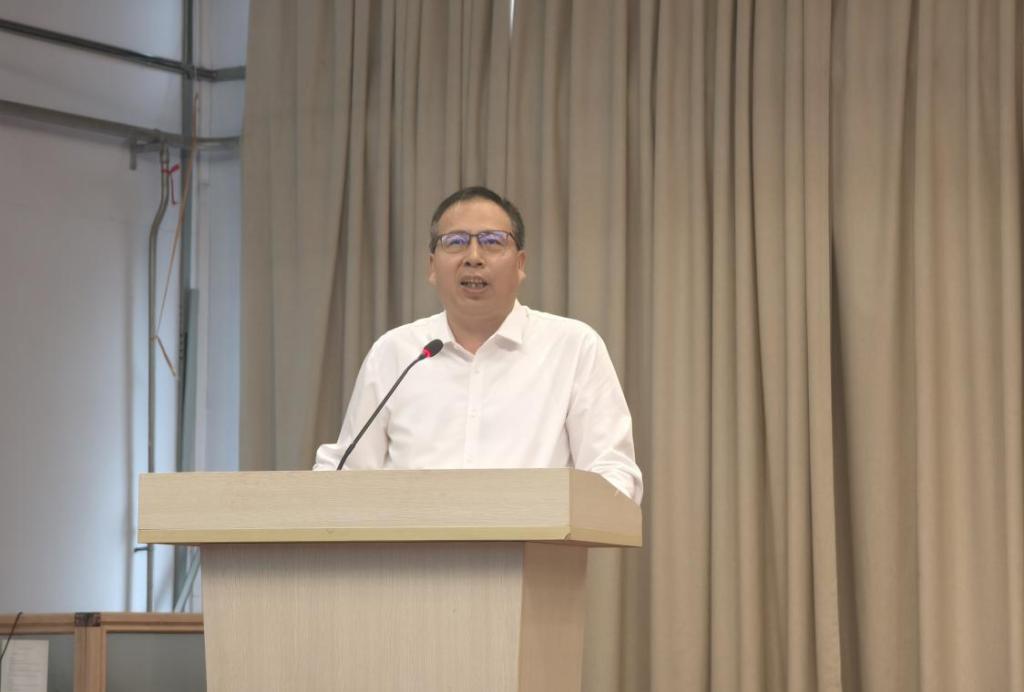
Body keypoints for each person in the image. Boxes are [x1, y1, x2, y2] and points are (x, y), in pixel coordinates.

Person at [314, 186, 643, 504]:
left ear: (520, 264)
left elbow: (614, 474)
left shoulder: (573, 348)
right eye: (455, 242)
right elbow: (347, 472)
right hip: (411, 543)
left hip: (537, 541)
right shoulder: (396, 352)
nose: (473, 257)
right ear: (432, 266)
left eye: (492, 241)